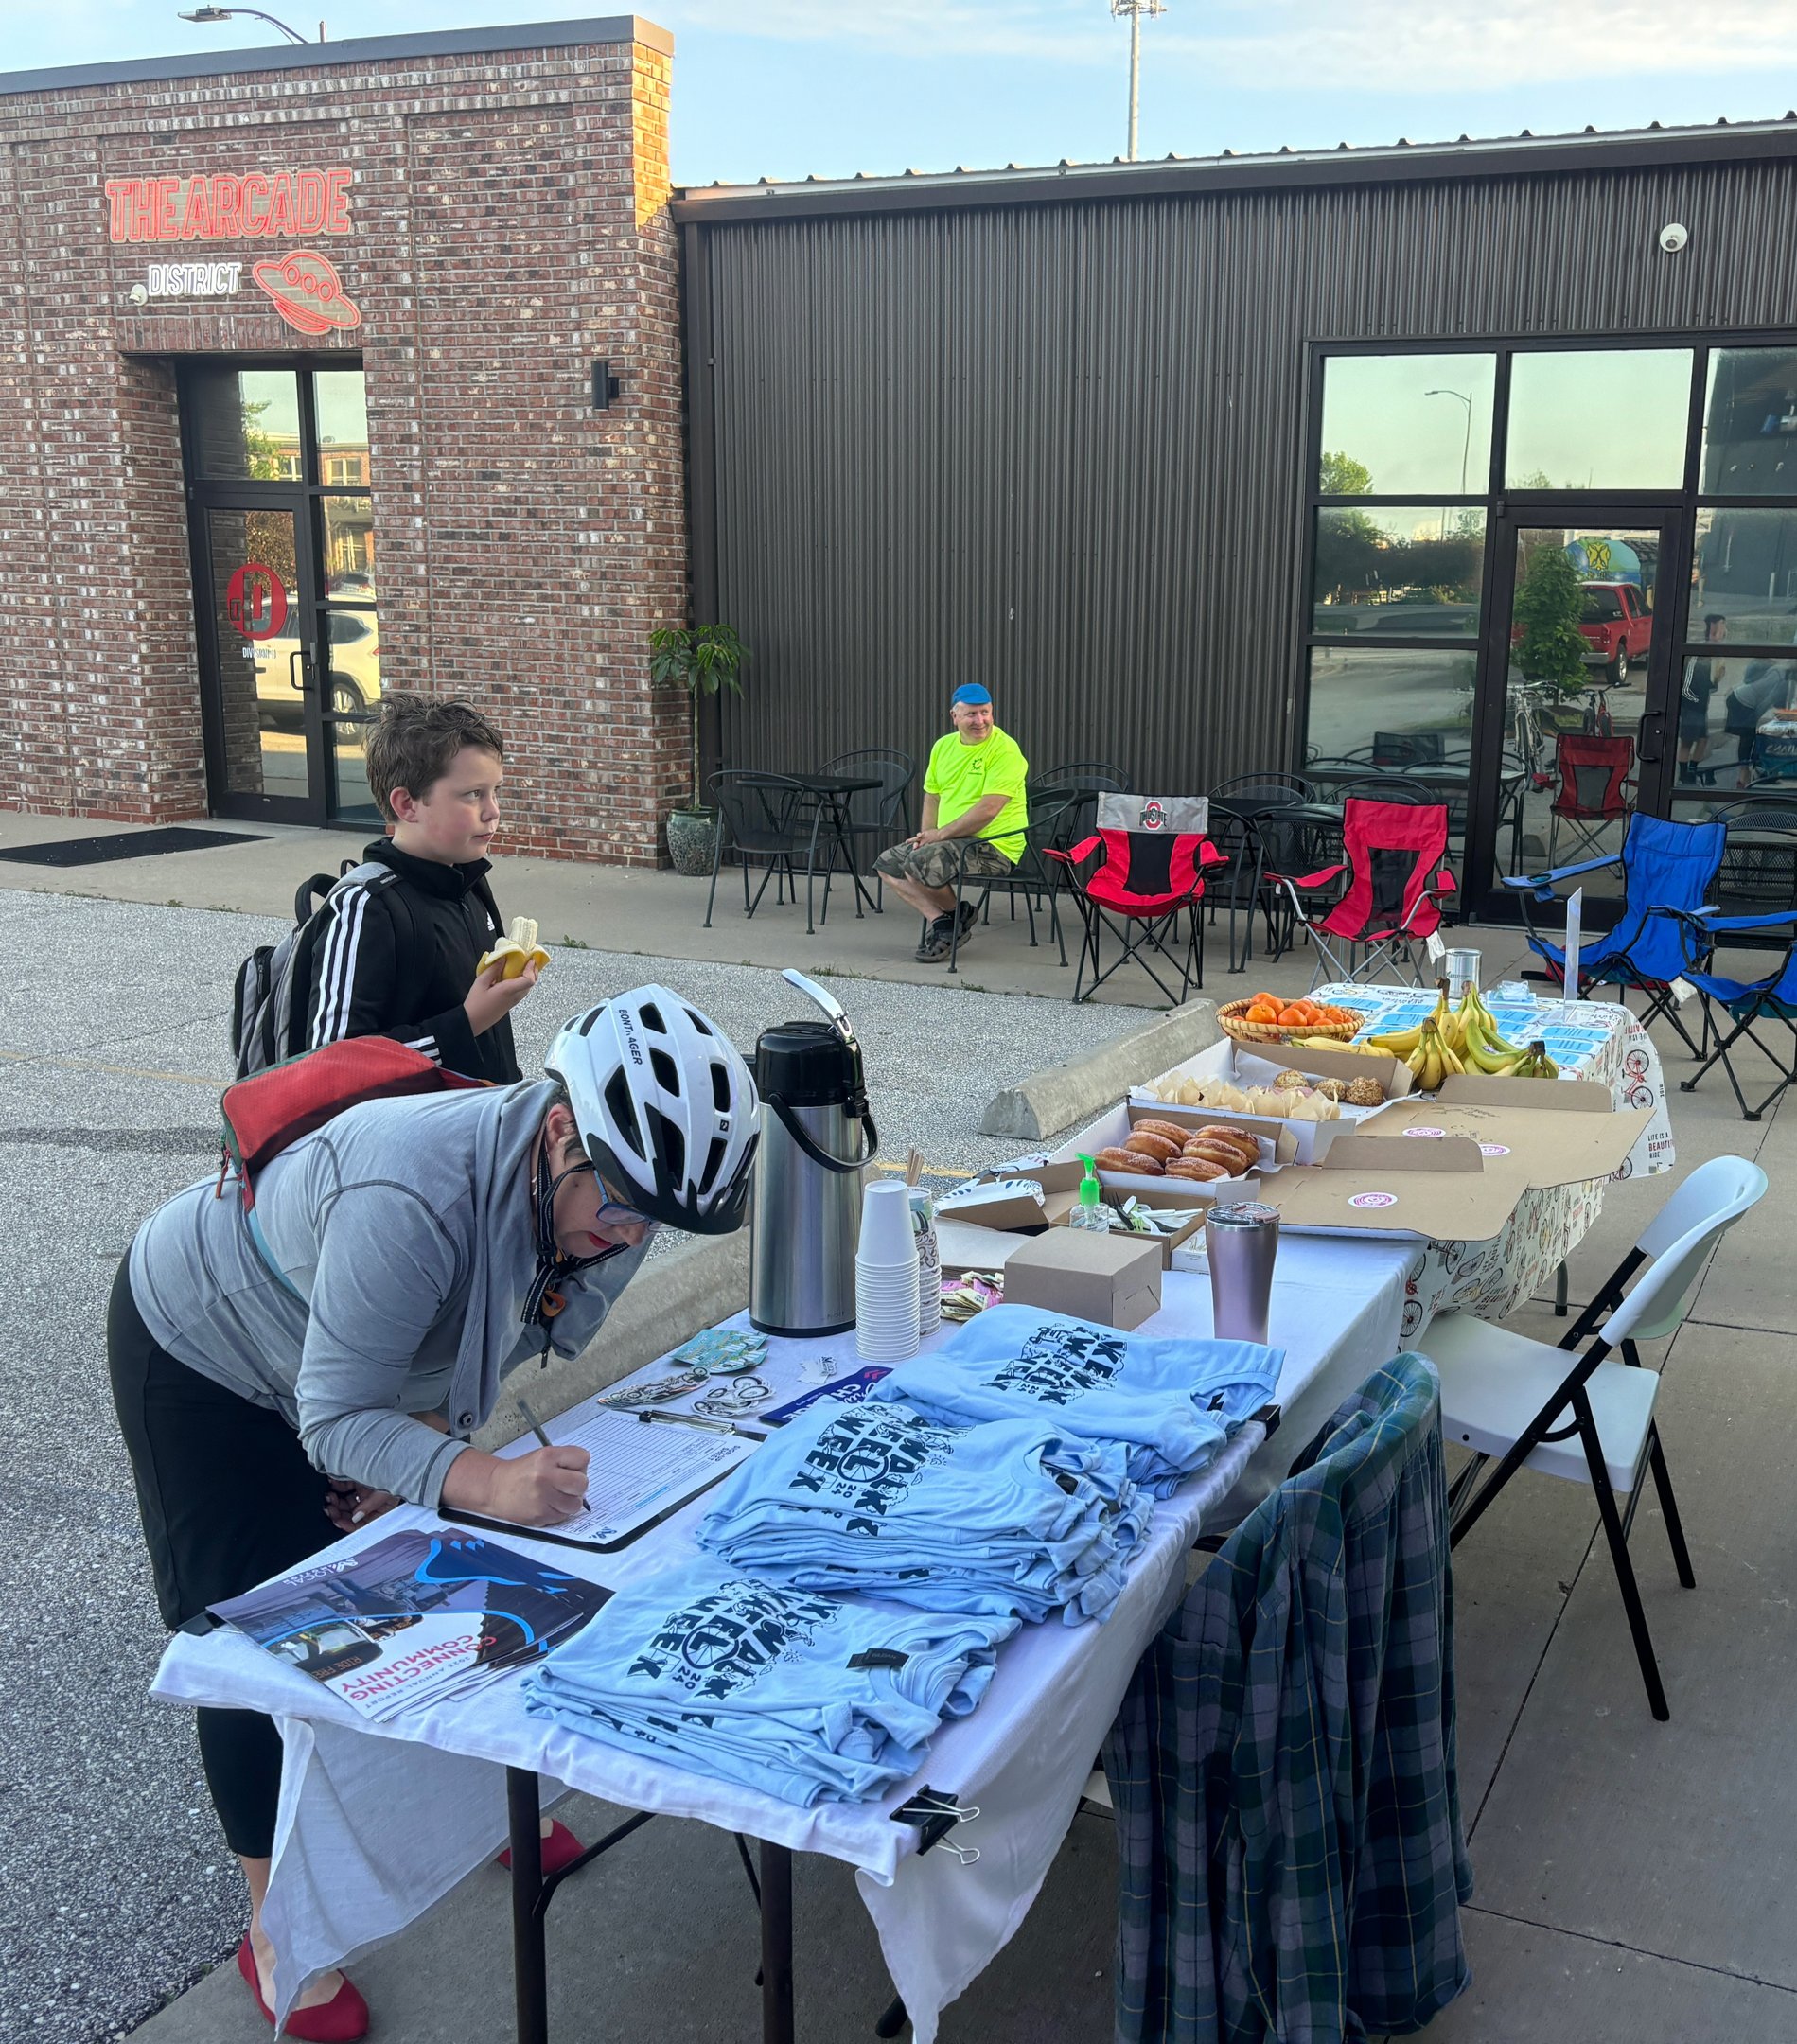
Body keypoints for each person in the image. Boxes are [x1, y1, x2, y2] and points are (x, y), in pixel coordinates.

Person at [109, 990, 758, 2039]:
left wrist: (428, 1454)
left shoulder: (609, 1190)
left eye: (655, 1221)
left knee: (435, 1569)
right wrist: (473, 1474)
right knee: (263, 1634)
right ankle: (275, 1931)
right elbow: (335, 1415)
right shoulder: (409, 1188)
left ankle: (473, 1808)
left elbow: (503, 1327)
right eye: (623, 1207)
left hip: (345, 1354)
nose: (630, 1238)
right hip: (205, 1352)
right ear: (559, 1130)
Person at [307, 694, 536, 1082]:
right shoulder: (366, 906)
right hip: (414, 1138)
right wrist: (467, 1022)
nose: (493, 810)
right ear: (407, 805)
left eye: (495, 791)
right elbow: (333, 1065)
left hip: (487, 1121)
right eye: (472, 794)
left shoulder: (470, 884)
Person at [873, 684, 1029, 962]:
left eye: (985, 712)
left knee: (918, 864)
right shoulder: (943, 747)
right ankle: (948, 921)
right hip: (950, 841)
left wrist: (940, 835)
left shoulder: (1005, 751)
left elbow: (988, 809)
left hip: (994, 845)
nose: (980, 721)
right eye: (971, 714)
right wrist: (925, 835)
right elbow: (932, 796)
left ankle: (952, 921)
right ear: (954, 716)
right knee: (888, 864)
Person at [1724, 637, 1797, 788]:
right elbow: (1766, 698)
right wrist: (1756, 719)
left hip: (1745, 701)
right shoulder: (1779, 675)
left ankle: (1746, 773)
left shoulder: (1783, 674)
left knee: (1749, 737)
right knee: (1748, 736)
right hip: (1741, 702)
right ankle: (1744, 776)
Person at [1679, 613, 1727, 784]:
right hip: (1691, 706)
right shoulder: (1699, 654)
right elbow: (1686, 685)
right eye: (1722, 625)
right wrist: (1693, 702)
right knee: (1687, 741)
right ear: (1713, 627)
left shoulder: (1716, 653)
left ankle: (1691, 769)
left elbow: (1710, 685)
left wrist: (1716, 680)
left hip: (1700, 706)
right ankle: (1684, 774)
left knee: (1702, 739)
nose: (1724, 630)